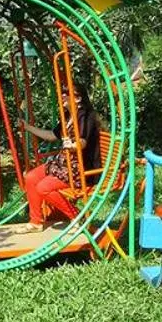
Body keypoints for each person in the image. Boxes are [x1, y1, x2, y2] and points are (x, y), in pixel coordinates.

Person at [19, 88, 104, 230]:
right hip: (63, 164)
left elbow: (83, 142)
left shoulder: (85, 117)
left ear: (78, 99)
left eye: (67, 93)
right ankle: (35, 222)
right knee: (31, 177)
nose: (63, 96)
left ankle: (76, 215)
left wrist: (73, 145)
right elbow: (52, 135)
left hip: (80, 168)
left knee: (43, 187)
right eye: (62, 93)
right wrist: (27, 128)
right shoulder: (68, 117)